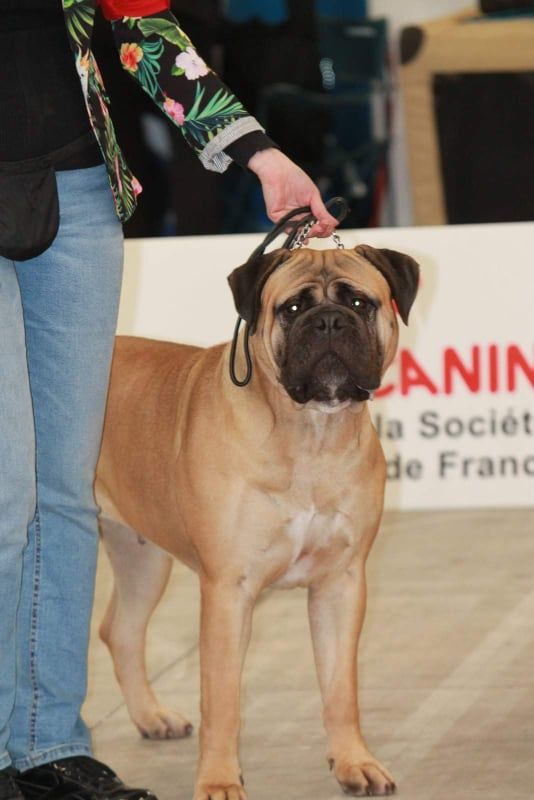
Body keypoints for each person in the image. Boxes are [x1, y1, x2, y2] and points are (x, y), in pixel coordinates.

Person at [0, 2, 338, 800]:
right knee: (7, 494)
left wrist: (260, 153)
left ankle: (48, 746)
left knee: (63, 492)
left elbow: (147, 28)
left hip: (75, 190)